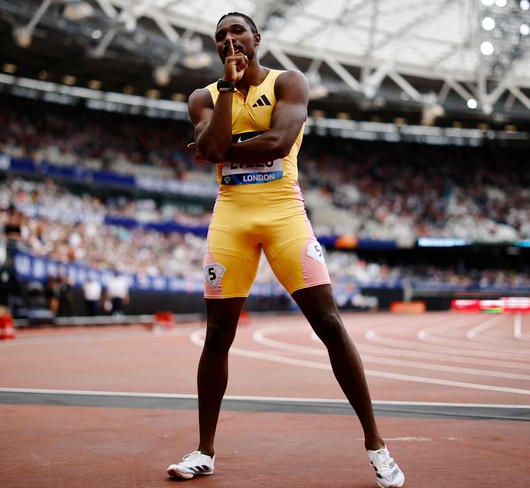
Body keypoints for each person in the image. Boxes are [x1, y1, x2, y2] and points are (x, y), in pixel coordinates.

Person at [167, 12, 404, 488]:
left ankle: (377, 446)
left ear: (257, 38)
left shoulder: (288, 82)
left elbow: (278, 141)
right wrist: (230, 102)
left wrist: (221, 145)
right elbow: (215, 148)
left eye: (237, 31)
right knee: (217, 338)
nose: (228, 40)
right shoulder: (204, 96)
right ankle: (204, 451)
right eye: (220, 36)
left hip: (284, 215)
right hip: (230, 218)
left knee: (331, 325)